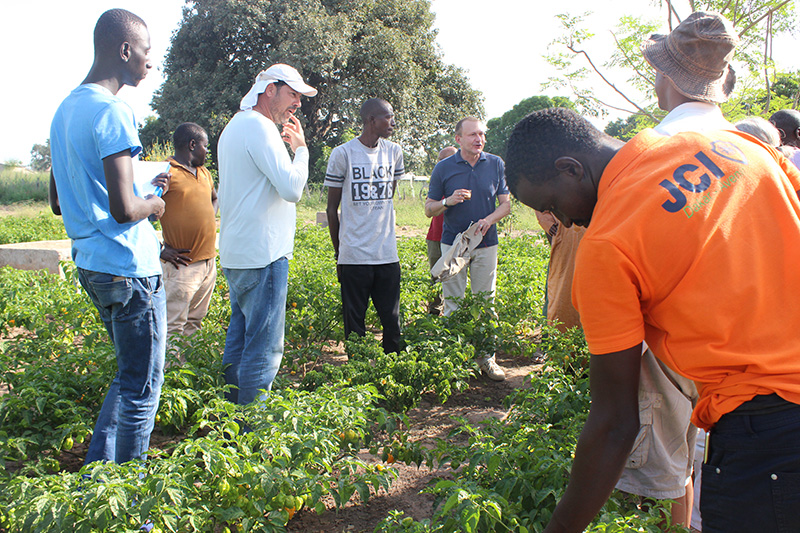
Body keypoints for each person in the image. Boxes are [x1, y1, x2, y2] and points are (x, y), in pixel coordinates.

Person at [505, 106, 800, 533]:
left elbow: (614, 423)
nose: (564, 221)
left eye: (552, 205)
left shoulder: (606, 244)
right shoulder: (731, 144)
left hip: (766, 437)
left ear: (570, 169)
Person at [49, 8, 169, 464]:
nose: (149, 61)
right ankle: (128, 495)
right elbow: (124, 209)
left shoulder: (65, 110)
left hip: (93, 265)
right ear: (124, 50)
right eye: (145, 51)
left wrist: (137, 194)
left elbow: (58, 201)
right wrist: (154, 202)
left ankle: (98, 482)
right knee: (142, 389)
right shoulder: (113, 110)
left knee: (127, 376)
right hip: (129, 267)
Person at [217, 64, 316, 404]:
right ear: (270, 89)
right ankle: (252, 427)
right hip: (265, 255)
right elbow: (291, 189)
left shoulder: (235, 126)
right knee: (264, 352)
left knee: (239, 344)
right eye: (293, 95)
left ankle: (229, 422)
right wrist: (301, 150)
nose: (297, 104)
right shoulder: (260, 128)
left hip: (238, 253)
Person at [425, 117, 511, 381]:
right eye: (473, 134)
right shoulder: (443, 168)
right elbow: (429, 209)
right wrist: (448, 202)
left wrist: (489, 220)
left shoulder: (495, 164)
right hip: (454, 245)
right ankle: (454, 360)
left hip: (486, 243)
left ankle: (487, 359)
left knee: (486, 302)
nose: (479, 139)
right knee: (453, 302)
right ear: (458, 139)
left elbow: (505, 205)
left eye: (481, 134)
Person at [325, 98, 405, 354]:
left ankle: (393, 370)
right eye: (388, 117)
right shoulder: (343, 154)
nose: (392, 122)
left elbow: (387, 197)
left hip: (386, 254)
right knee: (354, 325)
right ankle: (359, 371)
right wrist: (340, 253)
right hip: (354, 256)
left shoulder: (394, 152)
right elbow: (331, 209)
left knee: (392, 322)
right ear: (371, 120)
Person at [160, 122, 218, 350]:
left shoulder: (204, 172)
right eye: (205, 146)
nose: (207, 152)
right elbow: (140, 212)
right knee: (173, 325)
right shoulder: (166, 173)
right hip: (181, 266)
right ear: (192, 145)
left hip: (207, 263)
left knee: (194, 322)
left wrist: (208, 217)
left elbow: (214, 198)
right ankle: (170, 370)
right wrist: (160, 249)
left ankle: (187, 366)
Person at [534, 210, 584, 332]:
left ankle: (583, 337)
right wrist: (549, 224)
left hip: (589, 238)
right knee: (559, 289)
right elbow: (541, 207)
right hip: (565, 241)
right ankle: (551, 337)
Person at [425, 146, 458, 315]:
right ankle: (434, 310)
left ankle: (457, 311)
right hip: (436, 236)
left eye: (446, 159)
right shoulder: (438, 180)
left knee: (456, 275)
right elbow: (429, 209)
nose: (442, 163)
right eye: (440, 160)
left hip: (456, 236)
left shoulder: (461, 179)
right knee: (435, 275)